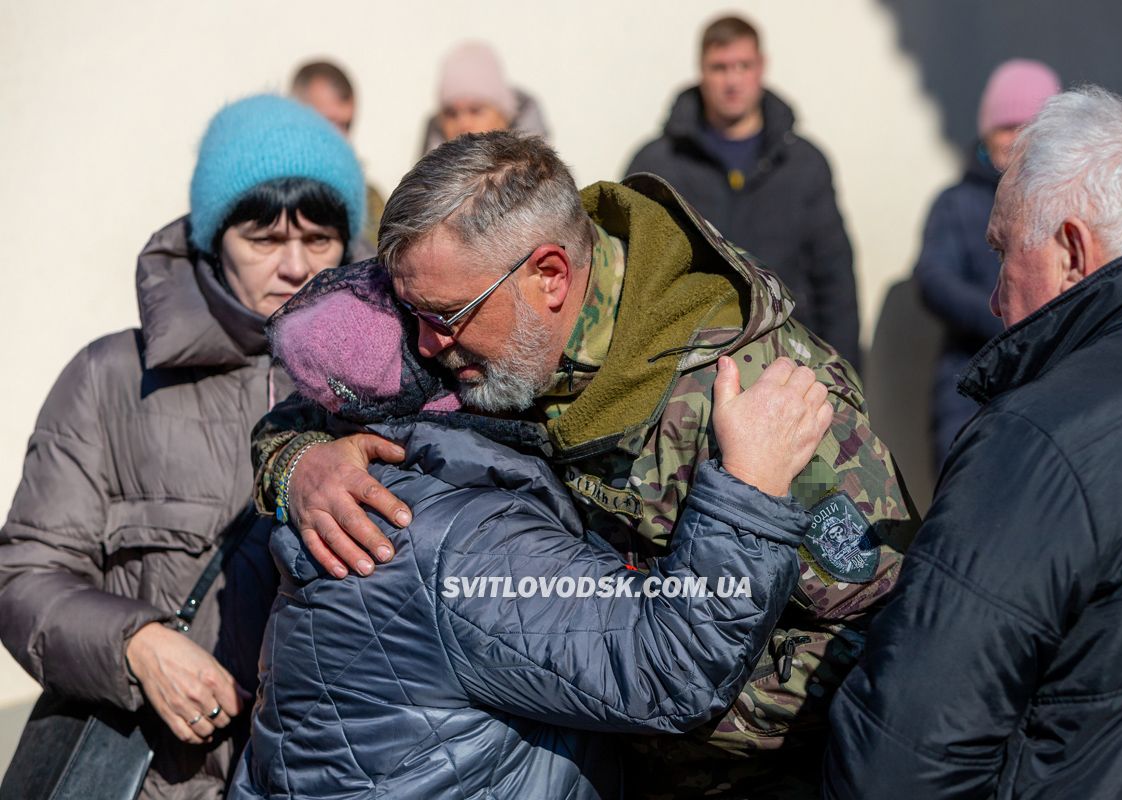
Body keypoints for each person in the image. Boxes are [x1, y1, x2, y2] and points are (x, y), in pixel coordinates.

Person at [251, 131, 917, 797]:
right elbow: (324, 388)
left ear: (550, 276)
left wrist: (633, 719)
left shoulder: (751, 398)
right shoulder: (477, 329)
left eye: (445, 317)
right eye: (413, 314)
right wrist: (301, 465)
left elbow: (878, 636)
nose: (427, 343)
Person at [226, 258, 832, 799]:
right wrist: (748, 488)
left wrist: (294, 457)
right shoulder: (462, 539)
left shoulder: (355, 485)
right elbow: (667, 662)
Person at [824, 87, 1122, 799]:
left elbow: (901, 761)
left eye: (1002, 252)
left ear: (1071, 252)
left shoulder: (1040, 439)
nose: (996, 298)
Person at [0, 94, 365, 799]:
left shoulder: (387, 392)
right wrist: (133, 645)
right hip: (159, 782)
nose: (295, 266)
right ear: (211, 238)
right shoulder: (110, 380)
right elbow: (24, 574)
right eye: (263, 239)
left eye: (319, 239)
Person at [626, 15, 861, 368]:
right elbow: (634, 277)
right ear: (701, 71)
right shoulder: (657, 164)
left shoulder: (804, 163)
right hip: (688, 368)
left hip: (787, 361)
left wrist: (844, 373)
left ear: (761, 68)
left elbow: (835, 279)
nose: (732, 81)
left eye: (743, 65)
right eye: (719, 67)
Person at [914, 59, 1060, 468]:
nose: (1014, 139)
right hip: (970, 376)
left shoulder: (1062, 204)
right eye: (1005, 126)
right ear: (985, 129)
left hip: (1046, 373)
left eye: (1027, 128)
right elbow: (934, 278)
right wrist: (1007, 320)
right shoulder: (956, 202)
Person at [292, 60, 388, 246]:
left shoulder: (368, 199)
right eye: (330, 123)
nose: (341, 138)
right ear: (297, 115)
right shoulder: (271, 196)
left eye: (346, 125)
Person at [419, 40, 551, 155]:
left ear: (503, 115)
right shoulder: (421, 180)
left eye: (476, 110)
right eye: (451, 114)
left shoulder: (545, 179)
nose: (463, 124)